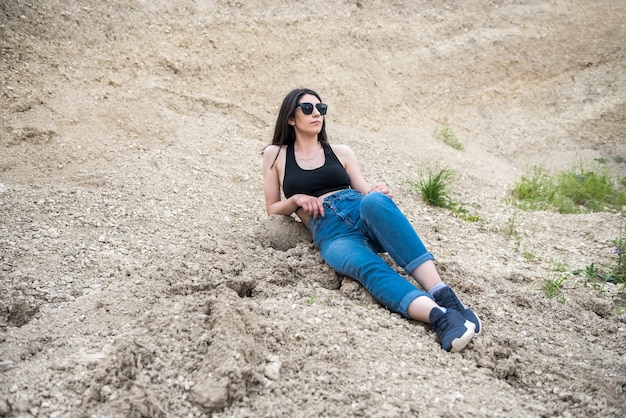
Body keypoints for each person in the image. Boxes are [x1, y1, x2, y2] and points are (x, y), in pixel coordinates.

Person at [262, 88, 482, 352]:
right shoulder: (275, 154)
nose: (316, 114)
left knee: (375, 201)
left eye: (321, 109)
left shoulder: (341, 151)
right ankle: (441, 317)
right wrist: (296, 199)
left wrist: (381, 193)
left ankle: (446, 296)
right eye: (307, 109)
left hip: (359, 209)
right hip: (330, 231)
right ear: (290, 118)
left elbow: (365, 193)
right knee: (365, 267)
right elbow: (272, 209)